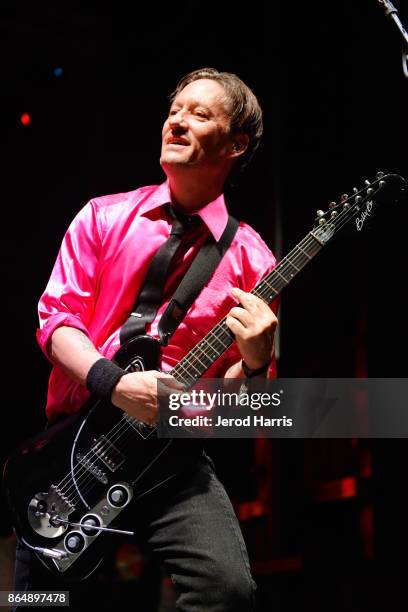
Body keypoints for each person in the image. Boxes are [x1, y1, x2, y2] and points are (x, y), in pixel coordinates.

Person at [13, 68, 278, 611]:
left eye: (200, 113)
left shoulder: (253, 258)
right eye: (175, 109)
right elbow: (56, 319)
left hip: (172, 459)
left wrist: (252, 368)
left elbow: (238, 408)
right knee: (40, 602)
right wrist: (115, 385)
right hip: (77, 447)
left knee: (226, 590)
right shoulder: (103, 216)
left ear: (236, 143)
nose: (178, 120)